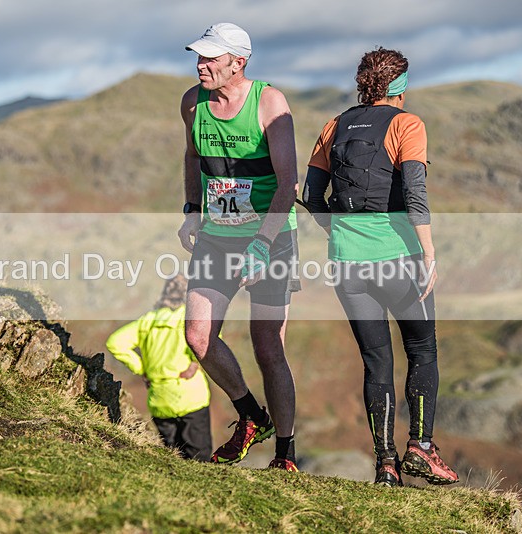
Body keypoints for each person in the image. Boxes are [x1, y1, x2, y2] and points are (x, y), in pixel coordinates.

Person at [302, 47, 459, 487]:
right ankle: (422, 448)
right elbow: (414, 192)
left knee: (376, 364)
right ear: (399, 88)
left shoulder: (334, 125)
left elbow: (314, 197)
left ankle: (385, 467)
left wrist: (340, 235)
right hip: (400, 260)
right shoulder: (407, 124)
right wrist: (428, 254)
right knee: (422, 351)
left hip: (348, 266)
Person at [178, 22, 300, 471]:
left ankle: (285, 455)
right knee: (197, 334)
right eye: (199, 56)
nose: (201, 65)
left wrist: (263, 245)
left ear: (238, 63)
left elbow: (288, 182)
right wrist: (192, 207)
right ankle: (251, 414)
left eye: (211, 58)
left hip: (271, 238)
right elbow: (193, 156)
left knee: (268, 347)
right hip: (217, 235)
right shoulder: (193, 102)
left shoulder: (269, 102)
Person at [106, 274, 212, 461]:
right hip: (191, 396)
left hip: (160, 398)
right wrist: (195, 363)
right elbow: (208, 342)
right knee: (199, 459)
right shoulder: (189, 318)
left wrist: (142, 368)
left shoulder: (147, 320)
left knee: (172, 457)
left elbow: (115, 342)